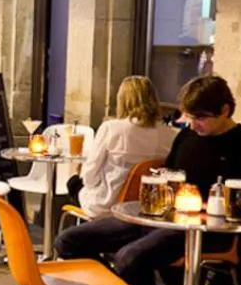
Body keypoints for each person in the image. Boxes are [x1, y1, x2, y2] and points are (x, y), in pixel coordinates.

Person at [53, 75, 241, 285]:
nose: (193, 124)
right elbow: (172, 173)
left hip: (208, 230)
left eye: (201, 118)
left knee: (129, 257)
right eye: (190, 117)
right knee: (68, 241)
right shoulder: (187, 136)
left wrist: (213, 207)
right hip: (164, 218)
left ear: (225, 110)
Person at [67, 76, 177, 218]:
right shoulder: (170, 134)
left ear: (123, 100)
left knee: (73, 182)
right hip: (147, 205)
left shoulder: (112, 128)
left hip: (109, 205)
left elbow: (90, 177)